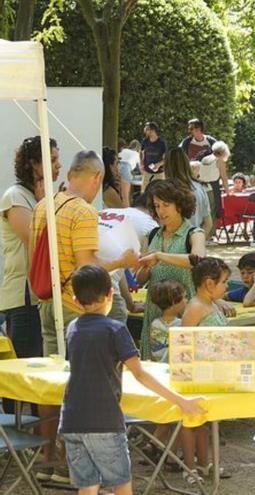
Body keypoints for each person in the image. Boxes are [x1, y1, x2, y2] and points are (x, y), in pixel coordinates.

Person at [30, 150, 139, 483]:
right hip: (76, 307)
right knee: (80, 383)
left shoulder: (43, 205)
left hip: (46, 301)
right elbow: (86, 268)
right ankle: (75, 463)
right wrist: (121, 261)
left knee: (52, 380)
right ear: (95, 177)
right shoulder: (83, 211)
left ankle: (51, 456)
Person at [60, 264, 204, 495]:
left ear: (75, 300)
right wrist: (181, 401)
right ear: (110, 293)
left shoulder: (72, 328)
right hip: (104, 420)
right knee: (121, 483)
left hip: (71, 419)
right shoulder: (115, 329)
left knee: (86, 485)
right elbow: (140, 374)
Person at [136, 180, 232, 354]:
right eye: (157, 206)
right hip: (155, 311)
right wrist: (144, 269)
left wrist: (159, 256)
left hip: (186, 311)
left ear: (179, 205)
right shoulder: (151, 235)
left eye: (166, 205)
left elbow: (197, 260)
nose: (161, 211)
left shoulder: (194, 233)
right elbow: (140, 279)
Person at [2, 137, 59, 361]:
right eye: (52, 160)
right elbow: (37, 243)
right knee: (25, 372)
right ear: (35, 164)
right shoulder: (15, 196)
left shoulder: (40, 198)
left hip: (41, 297)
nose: (58, 166)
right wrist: (46, 203)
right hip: (23, 298)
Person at [177, 257, 231, 483]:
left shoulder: (213, 304)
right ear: (210, 283)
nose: (227, 286)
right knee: (191, 422)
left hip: (213, 373)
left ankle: (204, 463)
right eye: (224, 282)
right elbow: (182, 343)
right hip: (195, 374)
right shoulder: (195, 308)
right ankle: (189, 468)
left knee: (206, 422)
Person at [163, 147, 213, 233]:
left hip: (171, 242)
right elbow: (208, 223)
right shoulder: (199, 187)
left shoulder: (164, 190)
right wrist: (197, 242)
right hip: (193, 239)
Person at [147, 279, 187, 362]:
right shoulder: (181, 325)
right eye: (184, 297)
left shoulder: (155, 323)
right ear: (174, 302)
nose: (186, 301)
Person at [197, 141, 231, 238]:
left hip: (202, 188)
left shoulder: (205, 158)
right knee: (211, 211)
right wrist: (228, 191)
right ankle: (209, 235)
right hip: (212, 189)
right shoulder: (219, 161)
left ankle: (203, 234)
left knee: (203, 212)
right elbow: (224, 178)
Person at [140, 122, 167, 189]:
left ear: (153, 130)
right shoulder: (145, 141)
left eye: (147, 129)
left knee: (160, 193)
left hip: (159, 173)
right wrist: (142, 163)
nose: (145, 130)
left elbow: (166, 158)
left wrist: (158, 164)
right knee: (144, 192)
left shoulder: (162, 143)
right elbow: (141, 152)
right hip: (147, 172)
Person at [116, 139, 134, 207]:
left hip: (120, 168)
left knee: (119, 196)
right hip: (126, 169)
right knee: (125, 197)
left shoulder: (116, 154)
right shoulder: (131, 152)